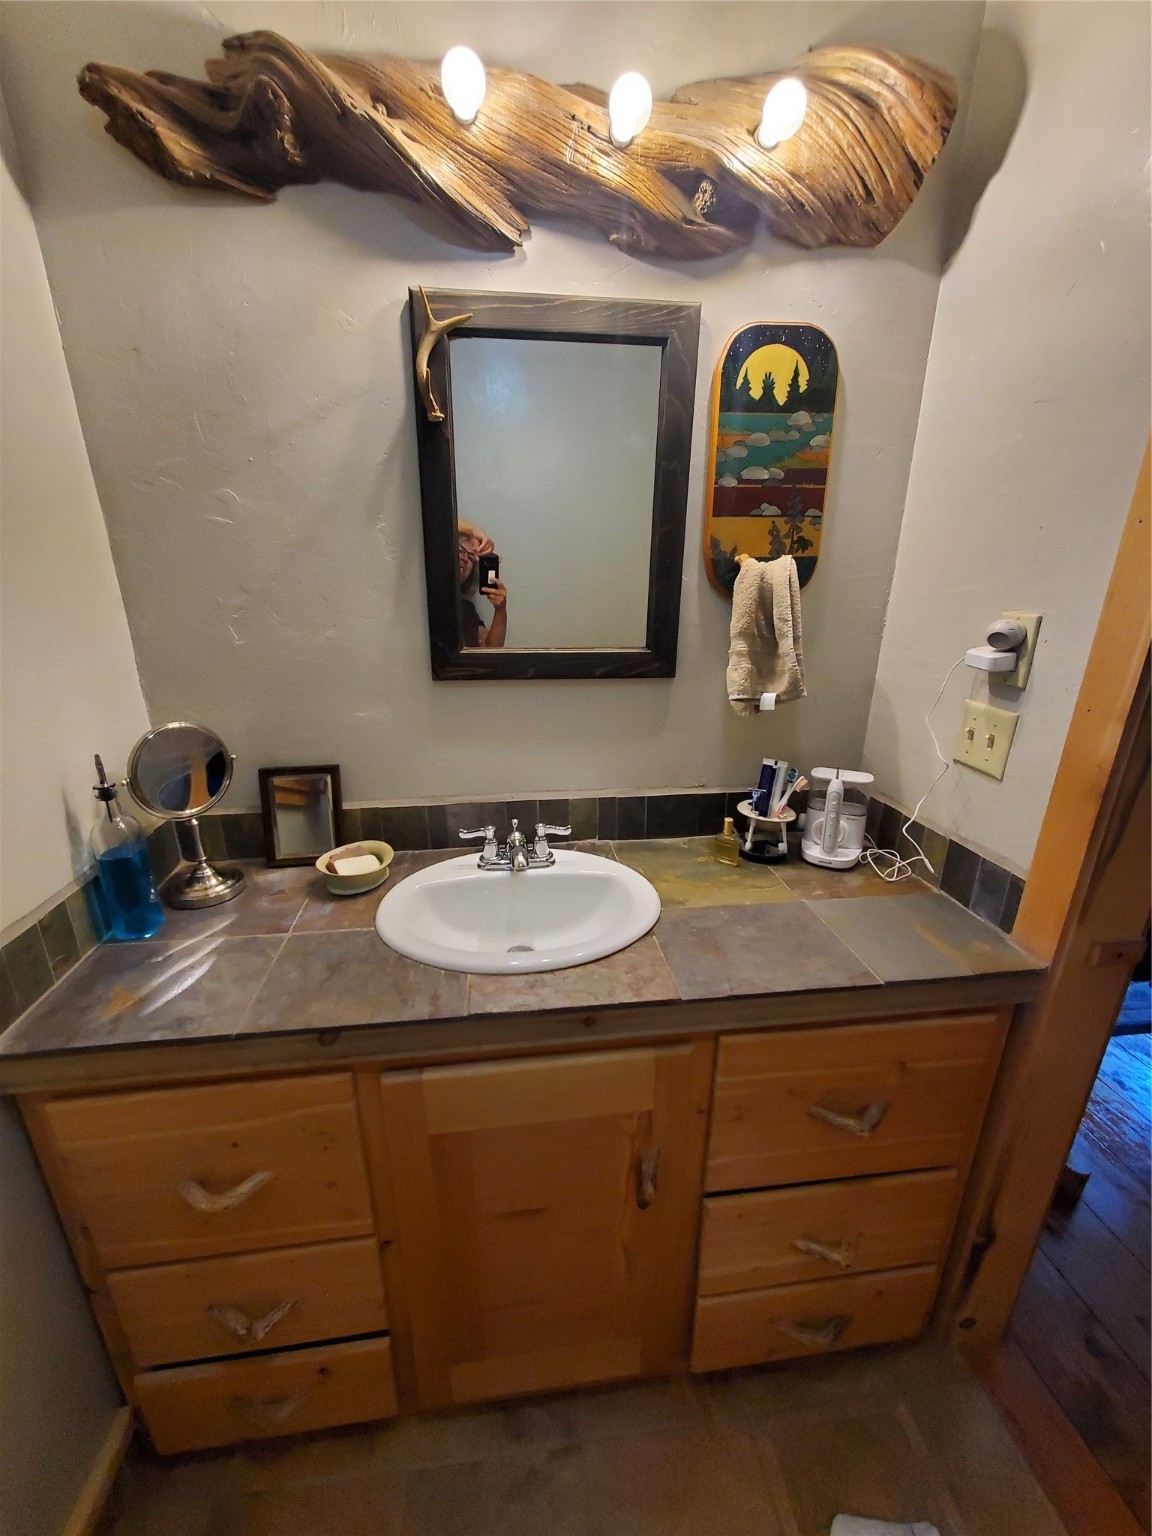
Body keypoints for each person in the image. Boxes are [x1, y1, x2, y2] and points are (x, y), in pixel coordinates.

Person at [457, 521, 507, 648]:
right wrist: (472, 531)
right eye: (460, 550)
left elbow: (490, 650)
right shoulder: (425, 591)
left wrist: (500, 610)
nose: (465, 558)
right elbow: (436, 523)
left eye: (471, 558)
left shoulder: (467, 610)